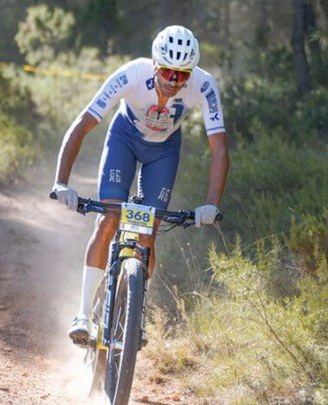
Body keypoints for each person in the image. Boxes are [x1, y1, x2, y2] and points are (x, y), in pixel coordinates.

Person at [52, 25, 229, 346]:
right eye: (167, 71)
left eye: (182, 74)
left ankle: (135, 312)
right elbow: (82, 125)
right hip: (124, 140)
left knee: (148, 231)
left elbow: (219, 148)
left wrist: (212, 203)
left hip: (164, 151)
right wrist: (61, 182)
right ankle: (83, 314)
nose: (173, 80)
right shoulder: (132, 74)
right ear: (154, 63)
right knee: (109, 218)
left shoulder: (204, 85)